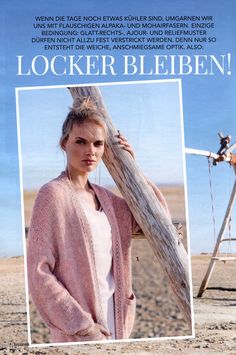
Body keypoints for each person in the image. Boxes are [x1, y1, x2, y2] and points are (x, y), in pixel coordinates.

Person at [27, 98, 170, 343]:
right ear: (64, 143)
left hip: (117, 324)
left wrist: (133, 168)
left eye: (97, 144)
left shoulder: (109, 201)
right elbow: (39, 273)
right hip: (78, 332)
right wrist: (82, 326)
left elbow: (159, 219)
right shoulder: (52, 195)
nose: (90, 151)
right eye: (80, 142)